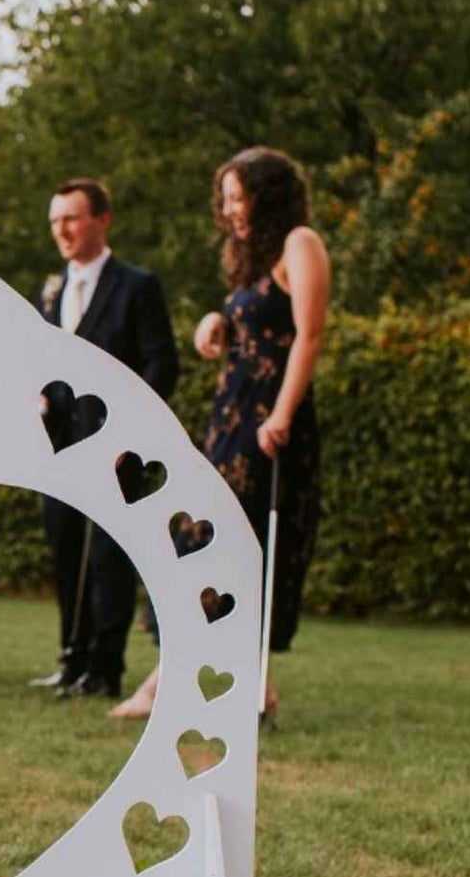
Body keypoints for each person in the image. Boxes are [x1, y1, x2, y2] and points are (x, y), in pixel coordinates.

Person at [111, 147, 326, 720]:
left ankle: (176, 685)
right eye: (226, 199)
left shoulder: (300, 243)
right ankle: (245, 687)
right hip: (231, 417)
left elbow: (306, 336)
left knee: (236, 546)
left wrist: (281, 416)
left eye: (239, 196)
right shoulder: (252, 261)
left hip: (269, 425)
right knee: (209, 543)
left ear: (268, 196)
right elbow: (254, 323)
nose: (230, 209)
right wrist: (215, 322)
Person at [35, 178, 179, 698]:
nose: (62, 230)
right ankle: (71, 660)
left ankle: (105, 668)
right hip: (59, 450)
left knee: (109, 559)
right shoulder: (51, 289)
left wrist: (131, 435)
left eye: (72, 218)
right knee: (66, 550)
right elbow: (45, 363)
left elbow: (162, 363)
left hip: (117, 448)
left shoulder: (137, 286)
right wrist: (41, 398)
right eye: (56, 220)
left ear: (101, 220)